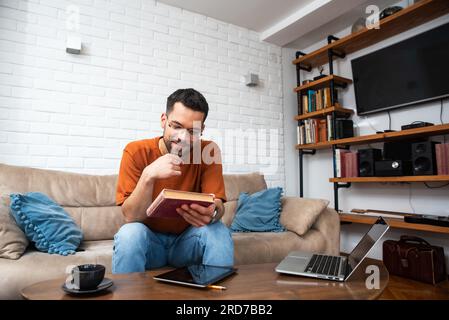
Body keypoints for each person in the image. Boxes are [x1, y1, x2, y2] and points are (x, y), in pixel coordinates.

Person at [112, 88, 234, 274]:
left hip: (186, 243)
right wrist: (148, 175)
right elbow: (130, 217)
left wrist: (213, 211)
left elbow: (218, 204)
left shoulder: (208, 151)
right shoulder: (135, 151)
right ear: (164, 120)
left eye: (192, 131)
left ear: (201, 130)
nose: (183, 138)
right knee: (129, 234)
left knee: (217, 230)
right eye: (176, 126)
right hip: (150, 243)